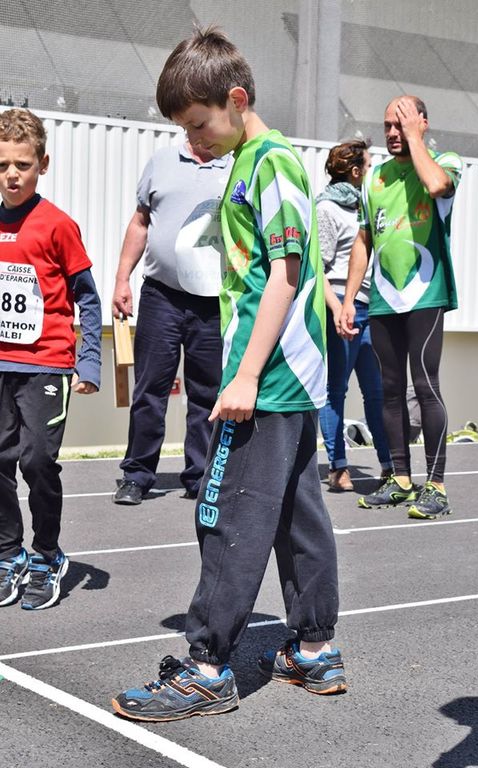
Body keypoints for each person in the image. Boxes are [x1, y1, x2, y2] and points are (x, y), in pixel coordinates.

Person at [112, 26, 346, 722]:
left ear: (236, 100)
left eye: (198, 124)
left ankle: (207, 667)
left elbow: (284, 275)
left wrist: (243, 376)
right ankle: (312, 649)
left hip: (268, 378)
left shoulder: (270, 163)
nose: (193, 141)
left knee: (225, 513)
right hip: (286, 375)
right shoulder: (248, 159)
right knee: (297, 514)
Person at [340, 95, 463, 519]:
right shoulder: (375, 177)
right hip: (383, 298)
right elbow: (363, 241)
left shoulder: (444, 161)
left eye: (402, 123)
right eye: (388, 126)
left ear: (422, 123)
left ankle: (437, 485)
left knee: (425, 385)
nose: (393, 133)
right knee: (388, 391)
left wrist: (415, 139)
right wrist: (349, 299)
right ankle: (401, 479)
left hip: (426, 294)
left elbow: (437, 186)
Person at [0, 109, 101, 610]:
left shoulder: (58, 225)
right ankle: (8, 553)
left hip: (45, 363)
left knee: (36, 459)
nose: (12, 175)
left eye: (22, 164)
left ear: (43, 164)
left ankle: (46, 555)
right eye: (2, 165)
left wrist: (90, 362)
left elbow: (89, 298)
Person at [111, 139, 232, 505]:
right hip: (161, 295)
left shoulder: (235, 164)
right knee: (149, 389)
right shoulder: (162, 161)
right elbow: (140, 222)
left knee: (207, 393)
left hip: (213, 300)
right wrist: (121, 279)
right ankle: (136, 475)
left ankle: (200, 476)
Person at [317, 140, 392, 492]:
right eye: (370, 165)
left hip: (370, 309)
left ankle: (389, 465)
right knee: (335, 390)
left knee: (377, 392)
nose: (373, 172)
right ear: (356, 170)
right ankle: (338, 468)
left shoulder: (366, 205)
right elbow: (318, 268)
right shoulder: (326, 209)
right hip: (340, 308)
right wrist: (336, 309)